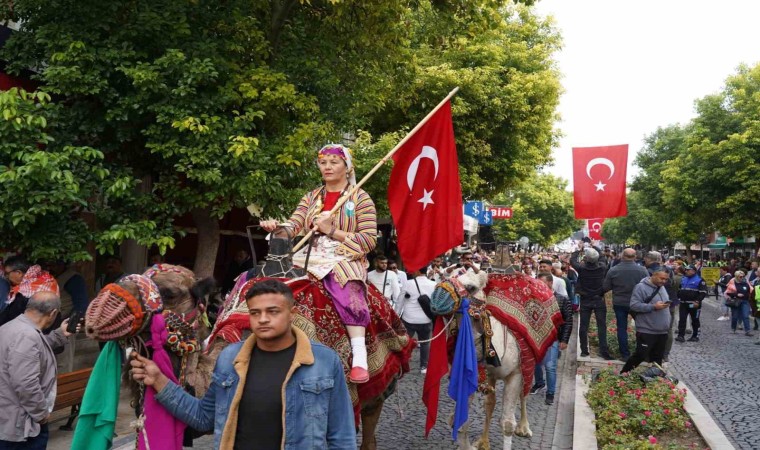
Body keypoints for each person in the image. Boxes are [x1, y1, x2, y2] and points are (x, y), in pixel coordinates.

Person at [130, 279, 355, 449]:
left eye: (272, 311)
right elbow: (203, 417)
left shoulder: (324, 361)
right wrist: (159, 380)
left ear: (291, 314)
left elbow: (341, 435)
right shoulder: (230, 359)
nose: (263, 319)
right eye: (255, 313)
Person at [260, 143, 376, 383]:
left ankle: (359, 355)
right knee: (264, 276)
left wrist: (332, 231)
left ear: (347, 166)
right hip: (310, 254)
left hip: (345, 256)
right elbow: (295, 224)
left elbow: (368, 239)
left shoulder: (361, 198)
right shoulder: (311, 197)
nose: (327, 167)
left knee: (346, 285)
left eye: (334, 162)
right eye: (323, 162)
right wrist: (278, 228)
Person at [0, 292, 75, 449]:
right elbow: (25, 383)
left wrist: (59, 335)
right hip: (21, 427)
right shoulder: (26, 335)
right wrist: (41, 414)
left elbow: (33, 350)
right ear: (53, 313)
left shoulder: (12, 327)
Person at [531, 272, 572, 405]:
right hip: (536, 338)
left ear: (550, 283)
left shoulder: (562, 299)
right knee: (536, 364)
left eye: (541, 283)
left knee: (550, 366)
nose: (539, 287)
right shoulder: (533, 299)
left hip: (553, 338)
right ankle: (539, 383)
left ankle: (550, 393)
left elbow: (568, 321)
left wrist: (564, 340)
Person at [620, 268, 672, 373]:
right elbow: (634, 305)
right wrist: (653, 307)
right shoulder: (641, 287)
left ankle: (653, 380)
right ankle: (624, 374)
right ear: (654, 275)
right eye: (661, 278)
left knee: (657, 359)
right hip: (647, 329)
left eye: (666, 279)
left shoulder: (661, 287)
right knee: (641, 355)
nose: (663, 281)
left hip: (662, 330)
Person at [602, 248, 649, 360]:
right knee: (642, 328)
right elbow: (648, 288)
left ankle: (625, 354)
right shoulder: (642, 270)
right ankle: (641, 353)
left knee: (622, 328)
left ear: (622, 256)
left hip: (620, 302)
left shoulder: (613, 270)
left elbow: (606, 287)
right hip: (637, 303)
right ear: (635, 257)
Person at [570, 245, 612, 359]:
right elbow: (603, 257)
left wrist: (579, 249)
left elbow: (572, 260)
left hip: (586, 300)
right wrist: (595, 246)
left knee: (584, 326)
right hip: (599, 299)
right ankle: (604, 351)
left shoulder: (581, 268)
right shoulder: (602, 267)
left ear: (586, 259)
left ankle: (584, 350)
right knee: (601, 326)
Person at [0, 256, 60, 328]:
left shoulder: (24, 294)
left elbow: (10, 318)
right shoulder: (47, 280)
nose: (6, 276)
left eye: (7, 273)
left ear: (18, 273)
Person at [401, 268, 435, 374]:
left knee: (405, 342)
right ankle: (423, 367)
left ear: (418, 271)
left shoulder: (408, 283)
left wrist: (397, 315)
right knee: (425, 343)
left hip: (409, 318)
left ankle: (403, 363)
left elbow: (400, 300)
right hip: (426, 319)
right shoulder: (433, 284)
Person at [675, 265, 707, 342]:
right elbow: (680, 290)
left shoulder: (700, 280)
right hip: (683, 303)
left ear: (693, 271)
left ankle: (695, 336)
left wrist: (697, 301)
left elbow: (703, 293)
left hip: (693, 304)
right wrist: (678, 298)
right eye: (685, 270)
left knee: (695, 320)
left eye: (688, 270)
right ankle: (680, 336)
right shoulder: (683, 278)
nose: (686, 271)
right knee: (682, 320)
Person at [725, 270, 754, 336]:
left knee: (746, 316)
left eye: (743, 276)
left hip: (745, 301)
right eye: (741, 276)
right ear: (737, 277)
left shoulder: (746, 283)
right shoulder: (732, 283)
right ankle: (733, 328)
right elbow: (728, 293)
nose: (742, 278)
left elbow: (751, 292)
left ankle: (747, 331)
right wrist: (736, 294)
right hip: (736, 301)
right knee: (735, 317)